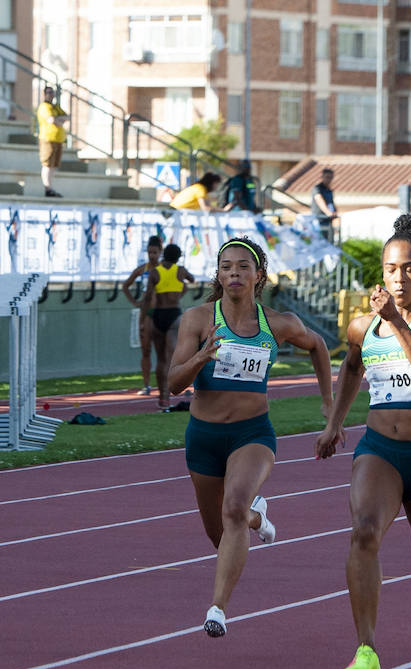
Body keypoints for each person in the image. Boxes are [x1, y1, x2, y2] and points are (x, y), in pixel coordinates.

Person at [314, 213, 411, 669]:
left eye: (408, 268)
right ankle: (366, 648)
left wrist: (396, 323)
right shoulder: (364, 327)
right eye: (389, 269)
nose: (398, 278)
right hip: (380, 450)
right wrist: (334, 424)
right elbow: (351, 368)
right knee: (364, 533)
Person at [168, 237, 334, 638]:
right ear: (218, 274)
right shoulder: (196, 320)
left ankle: (218, 610)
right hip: (204, 436)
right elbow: (173, 385)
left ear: (259, 275)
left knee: (233, 507)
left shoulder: (277, 323)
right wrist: (200, 357)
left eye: (243, 266)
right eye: (226, 267)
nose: (234, 274)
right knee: (221, 533)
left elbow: (319, 345)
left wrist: (329, 403)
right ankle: (257, 517)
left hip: (252, 433)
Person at [142, 243, 196, 410]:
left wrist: (144, 319)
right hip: (173, 315)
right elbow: (192, 279)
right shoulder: (180, 270)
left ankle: (163, 397)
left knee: (161, 359)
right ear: (178, 257)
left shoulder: (154, 272)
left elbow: (147, 296)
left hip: (158, 315)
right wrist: (179, 290)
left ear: (164, 254)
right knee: (172, 358)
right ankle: (173, 389)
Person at [121, 235, 164, 396]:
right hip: (146, 314)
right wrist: (135, 302)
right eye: (149, 252)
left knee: (162, 351)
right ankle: (146, 385)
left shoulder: (165, 269)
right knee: (145, 350)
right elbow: (126, 285)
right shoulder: (143, 269)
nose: (152, 255)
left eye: (155, 252)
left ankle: (163, 386)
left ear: (160, 252)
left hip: (161, 312)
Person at [36, 85, 69, 198]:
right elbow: (51, 120)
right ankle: (47, 188)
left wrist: (58, 120)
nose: (51, 95)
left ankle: (51, 187)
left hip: (58, 139)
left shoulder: (55, 107)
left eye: (52, 92)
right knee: (47, 164)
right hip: (47, 139)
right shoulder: (44, 107)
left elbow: (66, 117)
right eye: (48, 92)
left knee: (54, 165)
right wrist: (58, 120)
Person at [310, 167, 338, 242]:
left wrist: (334, 212)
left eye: (331, 177)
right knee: (320, 243)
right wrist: (328, 212)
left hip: (328, 221)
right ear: (322, 177)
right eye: (327, 177)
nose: (329, 180)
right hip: (319, 221)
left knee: (329, 243)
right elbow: (319, 200)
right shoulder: (317, 188)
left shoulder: (329, 190)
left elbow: (331, 203)